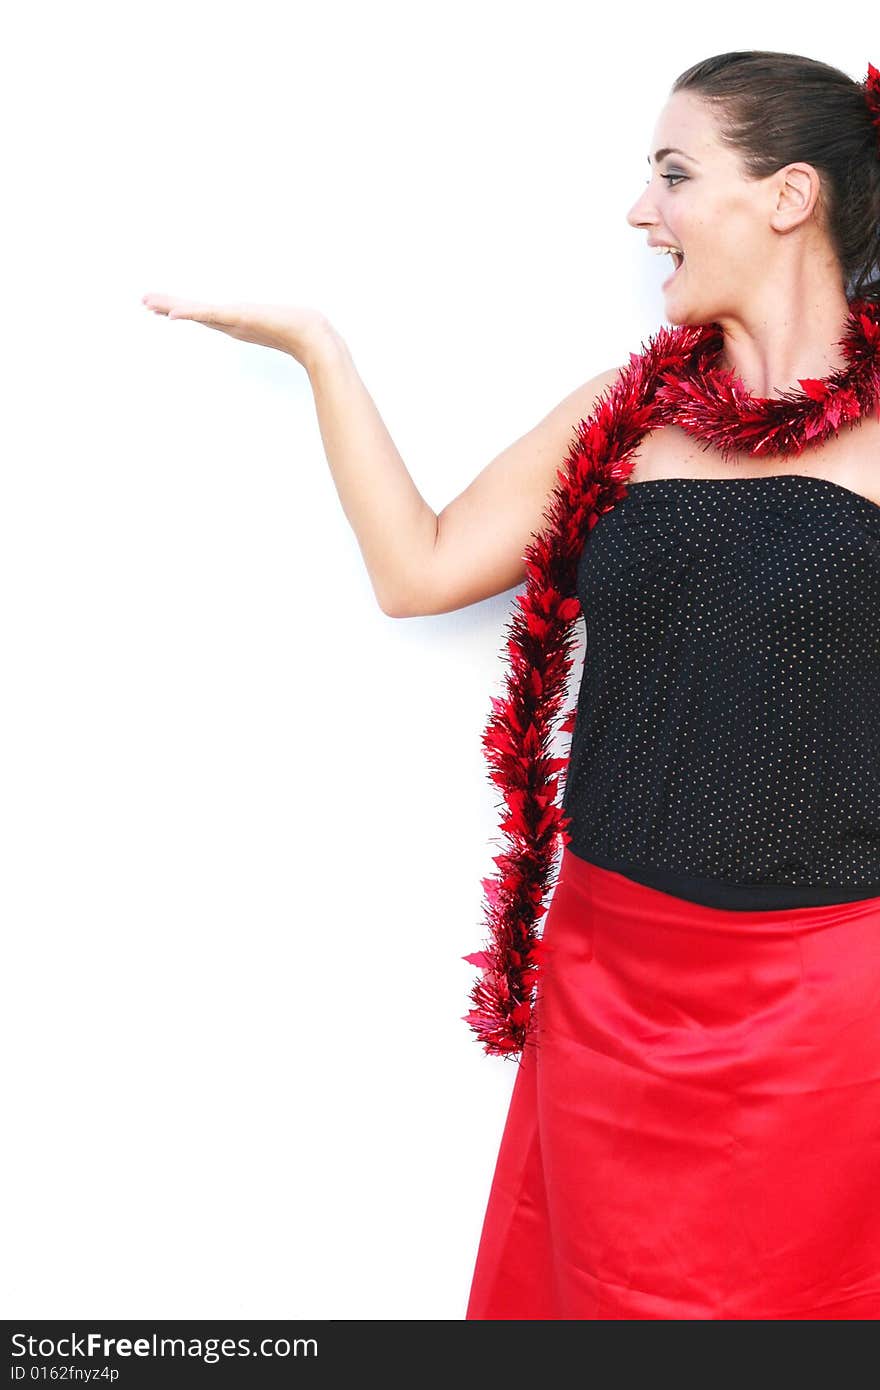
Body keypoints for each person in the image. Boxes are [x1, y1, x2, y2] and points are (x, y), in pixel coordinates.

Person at [143, 49, 880, 1319]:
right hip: (605, 978)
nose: (639, 210)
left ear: (787, 195)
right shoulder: (622, 416)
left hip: (822, 1010)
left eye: (672, 173)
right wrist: (323, 351)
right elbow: (418, 566)